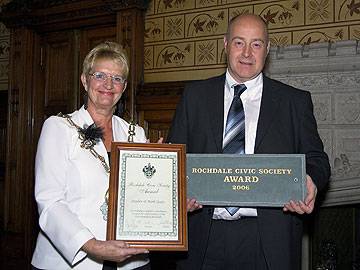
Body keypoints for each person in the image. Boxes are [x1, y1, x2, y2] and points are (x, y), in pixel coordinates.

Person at [167, 14, 331, 270]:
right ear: (225, 44)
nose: (246, 53)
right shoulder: (194, 96)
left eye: (256, 44)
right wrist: (177, 192)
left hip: (269, 240)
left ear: (267, 49)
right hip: (203, 236)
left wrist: (310, 180)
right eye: (238, 42)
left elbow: (317, 160)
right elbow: (173, 159)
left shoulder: (294, 102)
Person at [31, 41, 151, 270]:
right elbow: (49, 201)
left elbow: (142, 195)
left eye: (117, 78)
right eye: (100, 75)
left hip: (130, 259)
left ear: (124, 88)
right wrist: (91, 245)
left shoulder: (136, 133)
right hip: (72, 261)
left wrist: (165, 184)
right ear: (85, 81)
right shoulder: (59, 127)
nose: (109, 84)